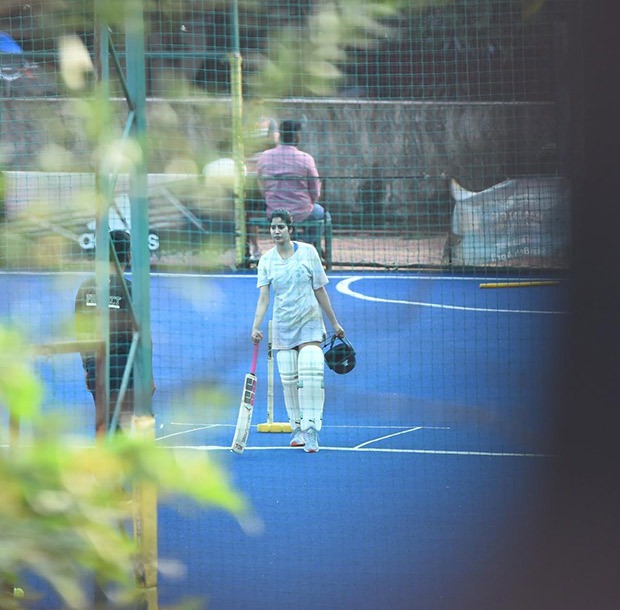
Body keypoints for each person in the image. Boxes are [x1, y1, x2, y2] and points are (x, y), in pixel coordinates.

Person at [250, 208, 344, 453]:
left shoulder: (309, 253)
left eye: (281, 226)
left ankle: (312, 431)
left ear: (290, 229)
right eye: (273, 227)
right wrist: (256, 326)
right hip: (283, 325)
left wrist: (334, 323)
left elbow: (320, 289)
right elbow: (263, 298)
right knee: (289, 378)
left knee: (311, 370)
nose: (276, 231)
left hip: (310, 321)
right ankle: (297, 428)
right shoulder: (266, 260)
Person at [74, 230, 149, 435]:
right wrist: (148, 375)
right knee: (122, 425)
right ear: (128, 256)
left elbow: (80, 331)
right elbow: (141, 335)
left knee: (102, 421)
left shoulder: (85, 288)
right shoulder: (131, 290)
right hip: (123, 367)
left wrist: (87, 365)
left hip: (95, 365)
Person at [256, 119, 330, 253]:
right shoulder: (305, 158)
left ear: (280, 135)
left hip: (274, 211)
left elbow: (262, 187)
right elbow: (315, 191)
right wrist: (309, 201)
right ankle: (305, 243)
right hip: (301, 210)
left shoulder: (265, 157)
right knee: (322, 214)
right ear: (296, 136)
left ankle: (293, 242)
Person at [244, 116, 279, 262]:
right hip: (248, 175)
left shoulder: (270, 122)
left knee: (276, 213)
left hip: (267, 174)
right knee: (249, 214)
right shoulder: (242, 121)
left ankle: (280, 251)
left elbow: (274, 142)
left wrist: (253, 144)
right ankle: (255, 250)